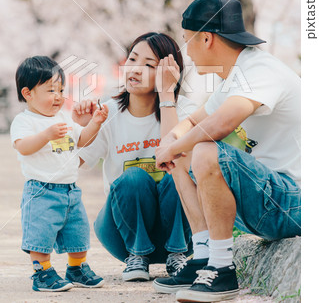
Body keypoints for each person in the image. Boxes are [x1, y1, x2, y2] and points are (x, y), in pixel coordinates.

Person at [154, 0, 301, 302]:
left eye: (186, 41)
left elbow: (221, 123)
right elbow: (195, 119)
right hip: (268, 199)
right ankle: (204, 257)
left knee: (205, 147)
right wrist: (171, 143)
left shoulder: (260, 70)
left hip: (295, 203)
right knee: (186, 151)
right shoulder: (233, 76)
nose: (186, 53)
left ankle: (222, 270)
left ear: (206, 38)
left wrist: (177, 144)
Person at [75, 32, 197, 282]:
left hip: (181, 236)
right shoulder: (106, 112)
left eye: (150, 65)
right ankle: (137, 257)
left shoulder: (186, 110)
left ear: (170, 73)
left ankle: (177, 255)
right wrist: (83, 128)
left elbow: (176, 155)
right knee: (133, 178)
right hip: (122, 235)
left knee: (177, 171)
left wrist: (166, 97)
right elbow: (75, 164)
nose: (136, 69)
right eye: (132, 59)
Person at [10, 56, 108, 292]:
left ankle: (76, 267)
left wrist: (94, 123)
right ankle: (41, 272)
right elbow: (23, 146)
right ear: (28, 93)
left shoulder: (63, 118)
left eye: (61, 89)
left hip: (70, 190)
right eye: (50, 90)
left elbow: (82, 140)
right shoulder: (24, 121)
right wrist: (46, 135)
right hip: (41, 190)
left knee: (78, 233)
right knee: (40, 236)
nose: (58, 96)